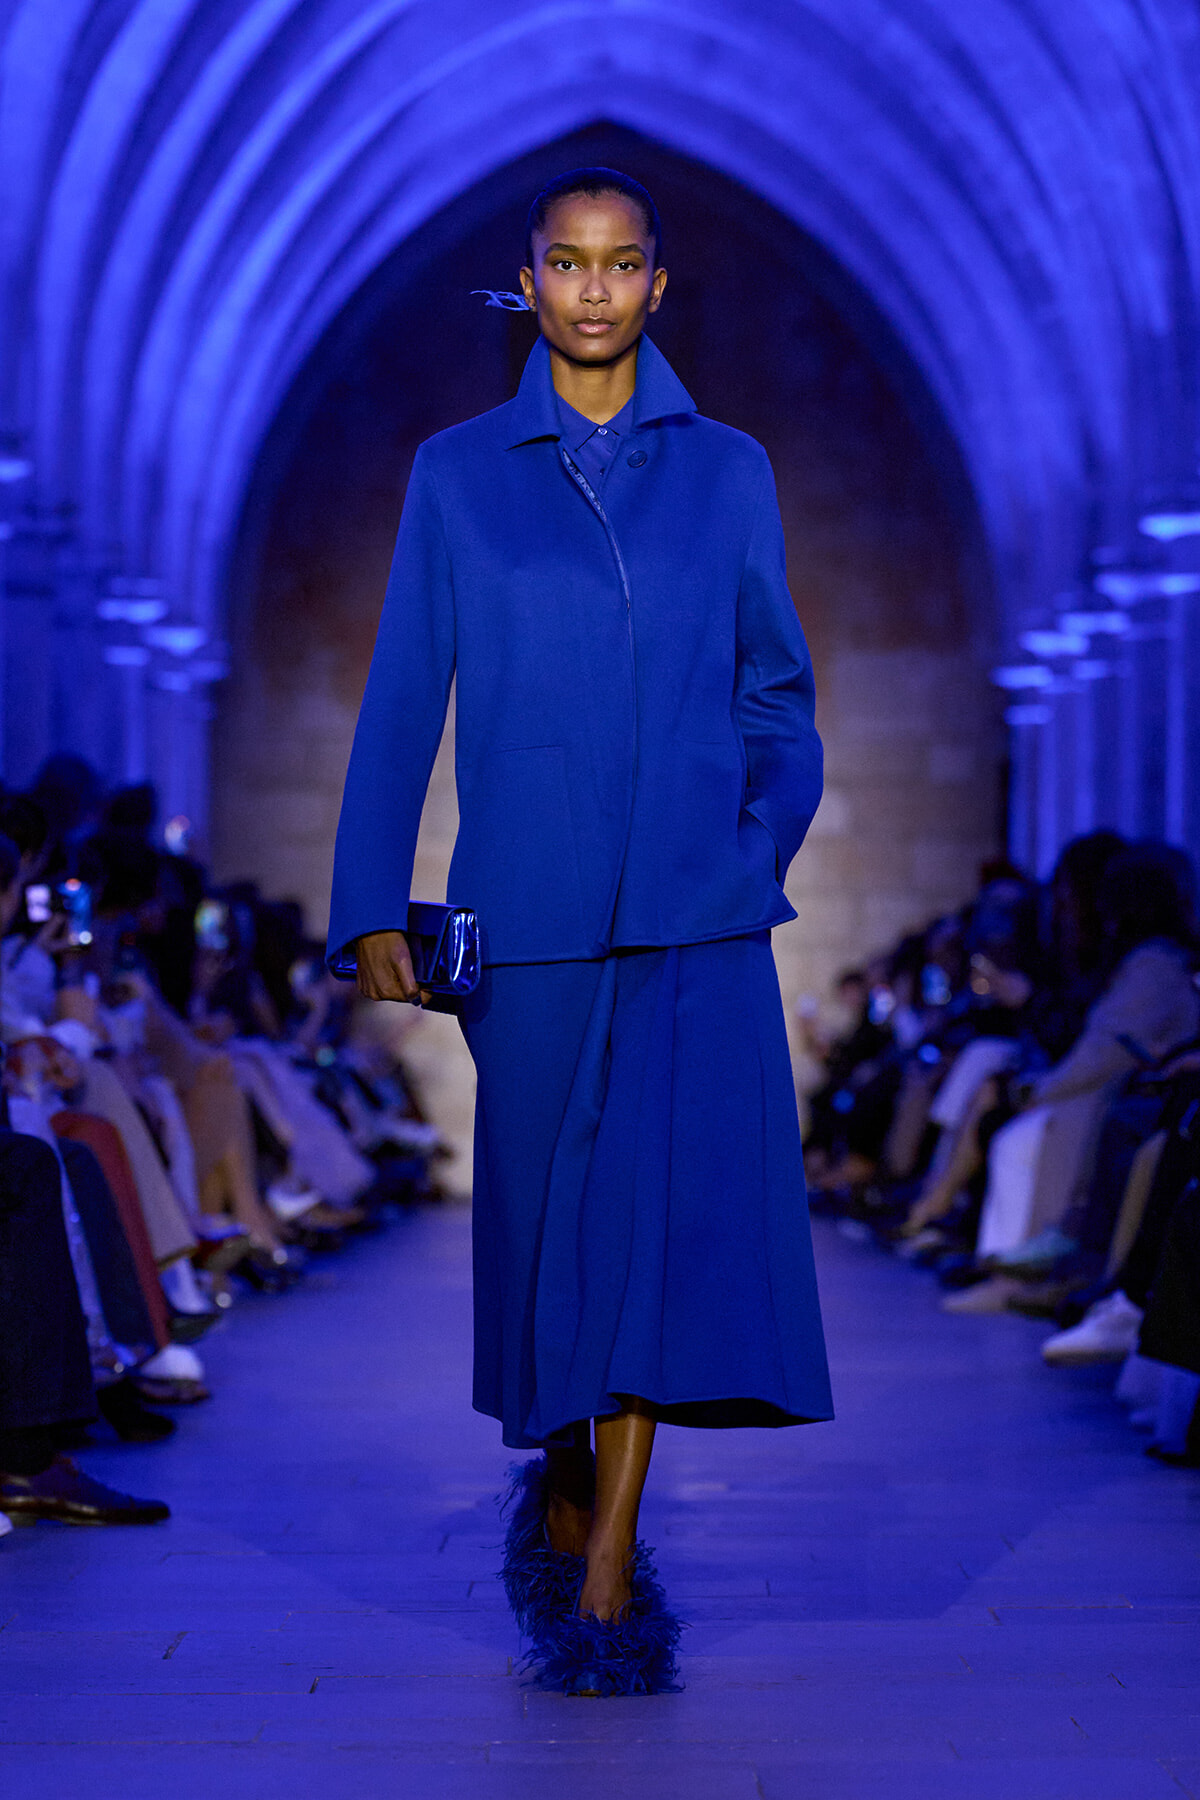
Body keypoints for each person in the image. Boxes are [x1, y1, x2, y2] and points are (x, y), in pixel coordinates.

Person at [328, 168, 832, 1693]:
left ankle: (608, 1577)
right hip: (529, 925)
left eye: (623, 266)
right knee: (551, 1243)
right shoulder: (458, 474)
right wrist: (367, 903)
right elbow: (405, 693)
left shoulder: (730, 471)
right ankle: (560, 1472)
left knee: (655, 1245)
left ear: (659, 287)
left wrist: (746, 851)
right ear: (528, 282)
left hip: (694, 923)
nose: (596, 290)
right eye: (568, 263)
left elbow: (779, 699)